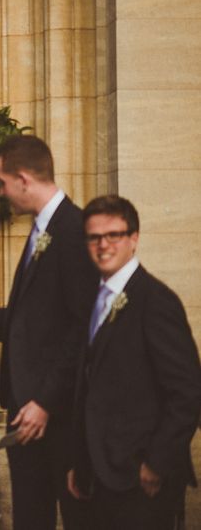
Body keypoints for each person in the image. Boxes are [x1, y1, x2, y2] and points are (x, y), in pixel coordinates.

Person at [0, 135, 98, 530]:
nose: (0, 193)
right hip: (25, 409)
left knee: (76, 516)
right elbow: (40, 318)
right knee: (32, 517)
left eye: (1, 183)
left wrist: (45, 403)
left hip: (56, 414)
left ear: (22, 178)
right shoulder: (43, 229)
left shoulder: (74, 230)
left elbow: (82, 328)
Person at [67, 195, 201, 530]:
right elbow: (89, 385)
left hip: (141, 477)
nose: (103, 245)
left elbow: (187, 392)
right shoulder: (94, 299)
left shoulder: (156, 301)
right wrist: (81, 464)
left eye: (114, 235)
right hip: (99, 474)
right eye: (94, 237)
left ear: (134, 239)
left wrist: (155, 464)